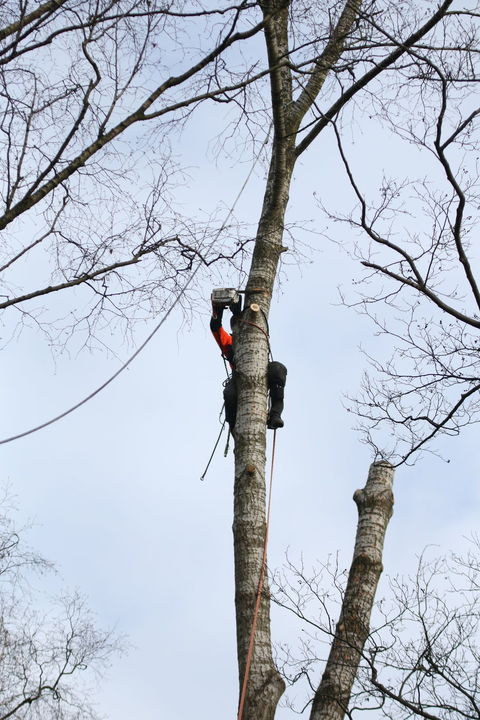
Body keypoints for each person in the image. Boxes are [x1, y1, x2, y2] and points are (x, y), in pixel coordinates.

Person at [210, 298, 287, 431]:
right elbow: (215, 327)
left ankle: (275, 415)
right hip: (238, 376)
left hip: (261, 369)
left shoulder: (258, 337)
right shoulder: (229, 341)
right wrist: (218, 310)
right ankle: (233, 425)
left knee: (277, 369)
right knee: (229, 393)